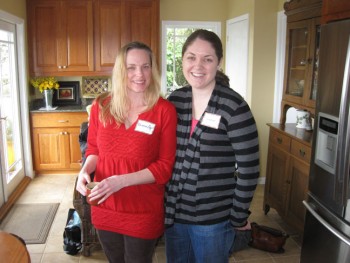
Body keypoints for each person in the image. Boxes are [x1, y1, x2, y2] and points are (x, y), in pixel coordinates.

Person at [76, 41, 177, 263]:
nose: (139, 74)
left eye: (146, 66)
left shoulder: (164, 111)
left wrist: (120, 181)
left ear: (153, 69)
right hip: (104, 204)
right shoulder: (102, 105)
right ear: (121, 70)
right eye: (131, 67)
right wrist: (85, 171)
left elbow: (164, 167)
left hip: (142, 209)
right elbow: (94, 149)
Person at [164, 29, 260, 263]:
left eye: (207, 59)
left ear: (218, 63)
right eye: (191, 57)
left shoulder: (234, 106)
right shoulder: (175, 101)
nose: (198, 65)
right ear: (182, 59)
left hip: (213, 221)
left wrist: (238, 217)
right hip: (174, 215)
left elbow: (249, 169)